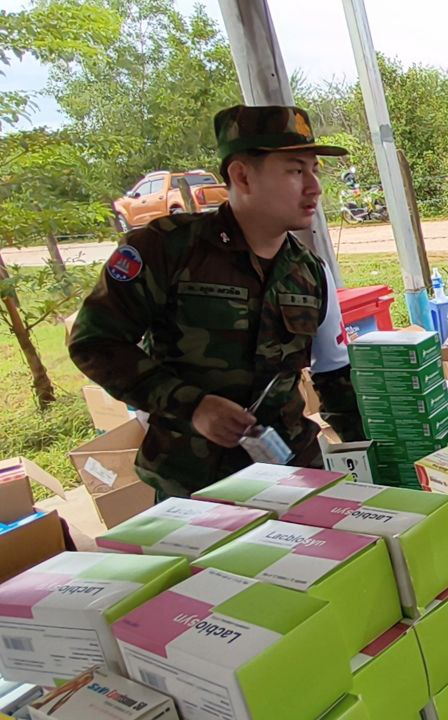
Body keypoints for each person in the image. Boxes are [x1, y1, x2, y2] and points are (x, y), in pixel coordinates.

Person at [68, 105, 366, 500]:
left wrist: (377, 457)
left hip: (292, 475)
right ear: (242, 175)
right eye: (296, 171)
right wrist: (193, 406)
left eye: (314, 170)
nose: (314, 187)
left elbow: (335, 377)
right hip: (195, 487)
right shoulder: (167, 249)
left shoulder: (310, 272)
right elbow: (95, 342)